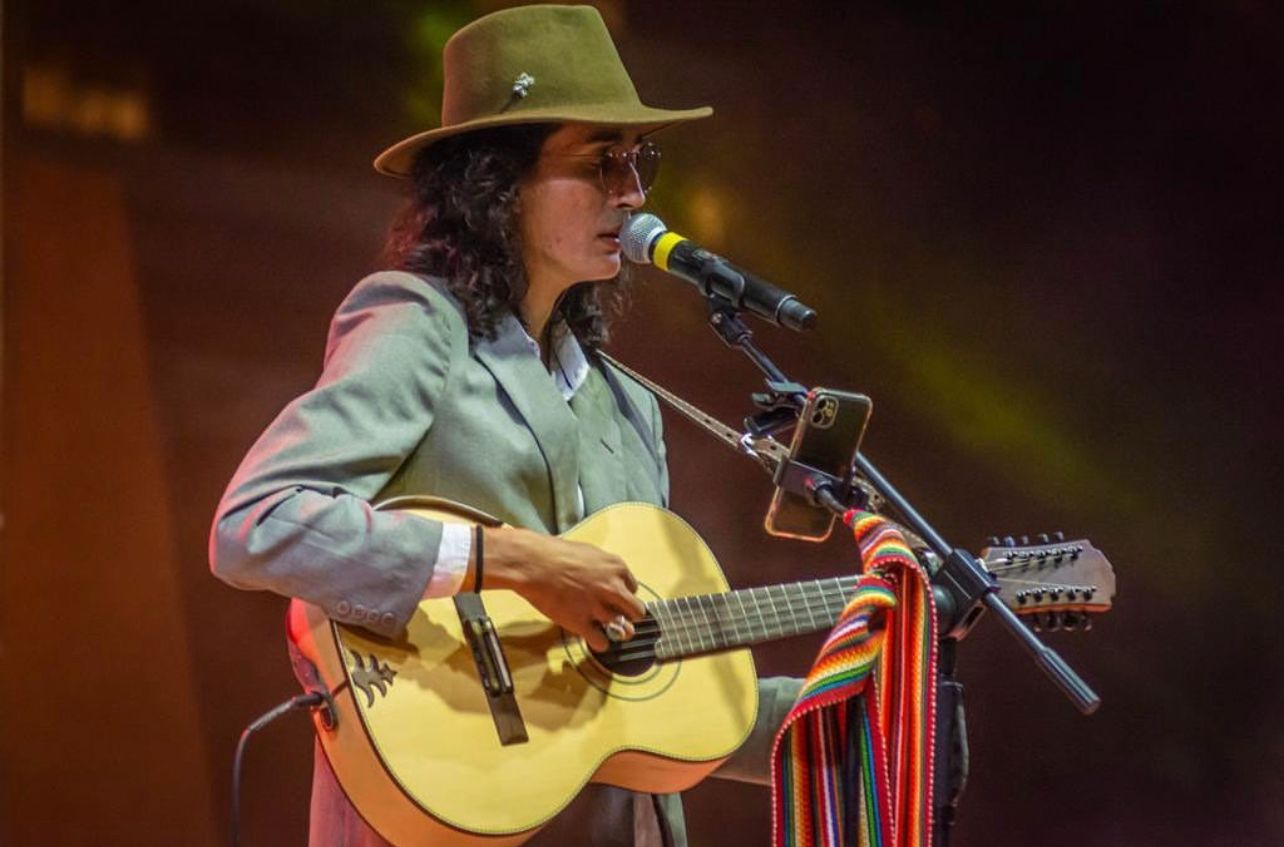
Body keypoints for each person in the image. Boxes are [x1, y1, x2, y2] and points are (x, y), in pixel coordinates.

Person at [210, 5, 801, 846]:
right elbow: (253, 524)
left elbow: (645, 701)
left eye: (641, 162)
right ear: (496, 184)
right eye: (601, 162)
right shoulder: (418, 323)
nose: (632, 193)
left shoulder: (630, 408)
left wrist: (861, 705)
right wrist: (506, 560)